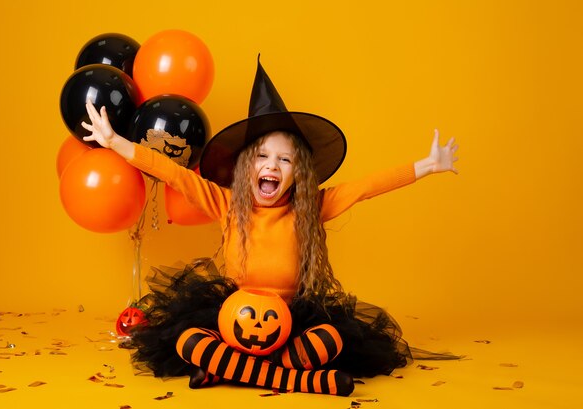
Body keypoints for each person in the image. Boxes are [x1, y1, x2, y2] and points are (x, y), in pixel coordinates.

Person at [81, 57, 459, 397]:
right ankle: (294, 380)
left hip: (289, 323)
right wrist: (115, 142)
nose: (272, 166)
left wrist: (424, 166)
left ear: (299, 173)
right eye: (262, 156)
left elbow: (364, 189)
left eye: (284, 160)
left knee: (332, 339)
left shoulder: (309, 208)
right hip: (234, 320)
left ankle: (228, 369)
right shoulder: (227, 205)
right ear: (247, 166)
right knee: (187, 339)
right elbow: (174, 174)